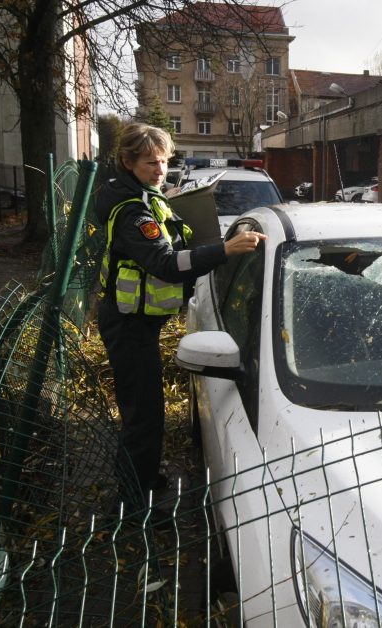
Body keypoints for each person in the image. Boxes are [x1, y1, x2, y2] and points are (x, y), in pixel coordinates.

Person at [95, 123, 264, 515]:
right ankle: (135, 504)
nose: (160, 170)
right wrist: (226, 249)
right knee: (143, 415)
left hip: (135, 320)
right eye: (151, 163)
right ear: (127, 161)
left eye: (165, 161)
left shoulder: (139, 194)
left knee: (143, 410)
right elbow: (166, 264)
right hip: (128, 325)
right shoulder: (132, 211)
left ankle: (142, 482)